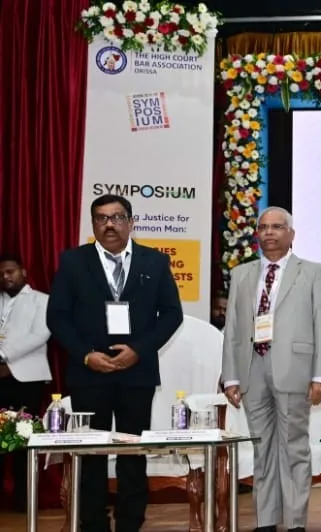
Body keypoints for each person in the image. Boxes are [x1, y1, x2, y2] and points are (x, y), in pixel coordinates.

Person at [46, 194, 184, 532]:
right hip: (88, 373)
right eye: (102, 218)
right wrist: (85, 354)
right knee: (91, 454)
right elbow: (57, 317)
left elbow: (171, 314)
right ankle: (92, 524)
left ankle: (129, 523)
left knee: (132, 455)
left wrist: (139, 349)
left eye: (117, 217)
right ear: (93, 225)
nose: (110, 224)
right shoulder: (73, 262)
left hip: (136, 373)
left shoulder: (154, 261)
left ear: (131, 222)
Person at [221, 206, 321, 532]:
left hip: (294, 370)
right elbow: (232, 329)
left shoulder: (312, 272)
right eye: (264, 227)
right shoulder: (242, 274)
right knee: (262, 448)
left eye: (277, 227)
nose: (269, 233)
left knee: (294, 447)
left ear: (291, 235)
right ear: (257, 234)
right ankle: (267, 520)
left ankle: (296, 522)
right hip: (251, 369)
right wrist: (230, 376)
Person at [0, 253, 51, 510]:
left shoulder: (42, 300)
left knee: (23, 438)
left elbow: (40, 334)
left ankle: (24, 499)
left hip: (27, 379)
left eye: (10, 271)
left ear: (23, 272)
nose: (6, 277)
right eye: (1, 274)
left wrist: (4, 357)